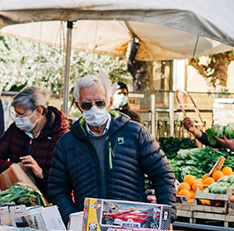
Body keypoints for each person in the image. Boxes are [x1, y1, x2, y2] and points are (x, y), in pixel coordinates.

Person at [48, 74, 175, 223]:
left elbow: (163, 174)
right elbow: (57, 189)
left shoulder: (135, 133)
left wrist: (167, 215)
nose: (94, 108)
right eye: (87, 104)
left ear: (109, 102)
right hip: (89, 227)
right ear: (78, 106)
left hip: (132, 223)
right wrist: (72, 218)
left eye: (99, 102)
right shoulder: (67, 143)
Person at [0, 86, 69, 197]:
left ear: (39, 111)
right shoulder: (15, 130)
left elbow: (65, 183)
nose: (17, 118)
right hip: (17, 199)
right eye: (16, 114)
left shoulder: (61, 138)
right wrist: (16, 169)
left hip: (49, 202)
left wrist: (41, 173)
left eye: (21, 114)